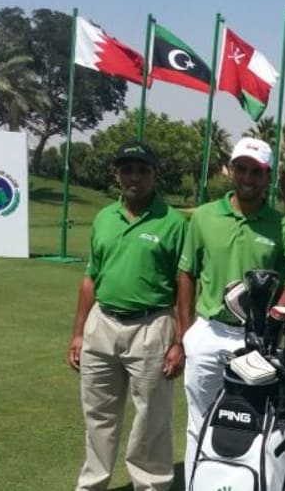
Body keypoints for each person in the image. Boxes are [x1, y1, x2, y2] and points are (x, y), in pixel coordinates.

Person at [67, 141, 187, 491]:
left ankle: (150, 486)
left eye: (142, 169)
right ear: (117, 174)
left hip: (151, 326)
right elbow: (91, 279)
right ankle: (92, 484)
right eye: (127, 169)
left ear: (154, 174)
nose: (134, 177)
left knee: (151, 418)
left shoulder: (174, 223)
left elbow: (184, 285)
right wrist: (78, 333)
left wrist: (180, 340)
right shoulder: (105, 217)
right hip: (101, 324)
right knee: (98, 415)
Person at [177, 137, 285, 490]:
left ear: (267, 175)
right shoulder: (205, 216)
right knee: (199, 419)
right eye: (241, 168)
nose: (247, 177)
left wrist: (274, 328)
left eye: (255, 171)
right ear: (231, 169)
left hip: (255, 340)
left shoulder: (281, 225)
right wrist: (185, 334)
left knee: (254, 420)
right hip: (209, 331)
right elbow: (186, 274)